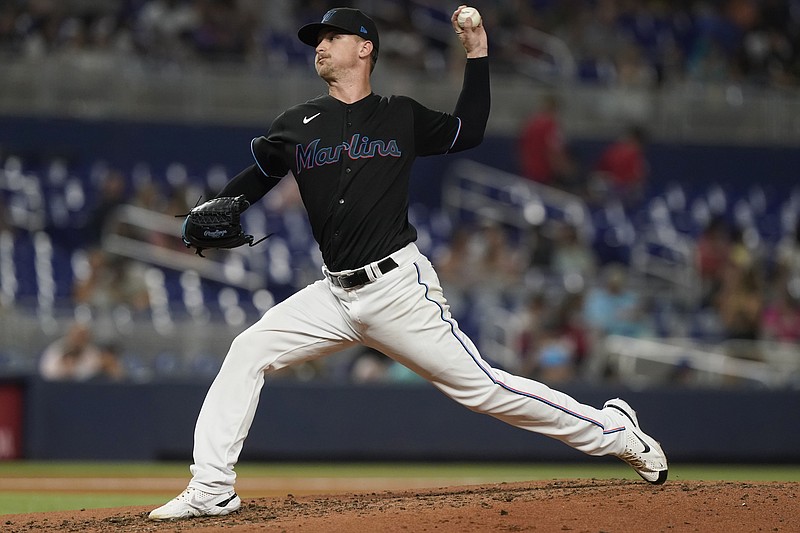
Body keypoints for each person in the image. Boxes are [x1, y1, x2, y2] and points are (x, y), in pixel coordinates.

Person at [149, 6, 667, 521]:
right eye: (316, 40)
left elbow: (469, 129)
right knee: (248, 350)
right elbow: (256, 176)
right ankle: (212, 487)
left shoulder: (400, 114)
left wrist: (478, 54)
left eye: (332, 37)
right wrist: (219, 206)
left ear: (365, 47)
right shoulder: (297, 123)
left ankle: (615, 431)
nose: (320, 47)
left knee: (485, 390)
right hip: (334, 294)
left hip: (397, 289)